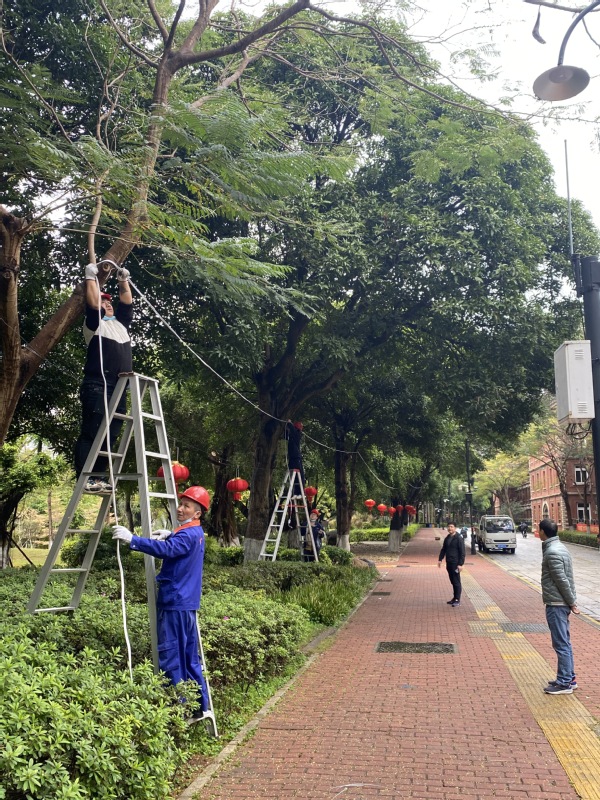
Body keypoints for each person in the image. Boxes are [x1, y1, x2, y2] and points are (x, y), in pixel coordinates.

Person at [112, 485, 211, 720]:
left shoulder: (187, 534)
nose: (180, 508)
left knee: (172, 655)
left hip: (175, 602)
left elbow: (165, 550)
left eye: (187, 506)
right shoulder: (195, 532)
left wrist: (133, 539)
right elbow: (177, 545)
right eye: (181, 503)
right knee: (188, 656)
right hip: (186, 603)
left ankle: (181, 708)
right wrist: (172, 534)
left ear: (197, 513)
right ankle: (198, 704)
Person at [74, 263, 133, 493]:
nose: (107, 303)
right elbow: (92, 305)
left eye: (109, 301)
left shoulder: (121, 326)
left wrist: (122, 280)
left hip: (119, 387)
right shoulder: (94, 325)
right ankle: (85, 477)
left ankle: (98, 477)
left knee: (111, 434)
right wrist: (91, 277)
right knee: (92, 430)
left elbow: (126, 302)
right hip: (98, 385)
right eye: (103, 301)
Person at [538, 518, 579, 695]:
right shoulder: (560, 548)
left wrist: (572, 602)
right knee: (564, 642)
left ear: (543, 532)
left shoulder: (552, 552)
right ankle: (569, 677)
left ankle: (564, 683)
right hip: (560, 602)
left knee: (561, 643)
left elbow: (562, 580)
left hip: (557, 604)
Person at [438, 522, 465, 607]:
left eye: (452, 527)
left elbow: (462, 552)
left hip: (455, 563)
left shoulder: (459, 538)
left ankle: (457, 599)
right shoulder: (447, 538)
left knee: (456, 581)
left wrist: (460, 564)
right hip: (449, 562)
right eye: (449, 527)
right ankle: (454, 598)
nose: (450, 528)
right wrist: (440, 559)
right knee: (452, 581)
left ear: (455, 528)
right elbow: (443, 549)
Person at [285, 420, 305, 496]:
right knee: (292, 475)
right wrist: (287, 429)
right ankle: (296, 492)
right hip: (292, 457)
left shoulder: (298, 434)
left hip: (296, 457)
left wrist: (289, 423)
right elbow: (285, 436)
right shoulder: (291, 436)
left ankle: (300, 492)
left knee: (300, 475)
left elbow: (293, 432)